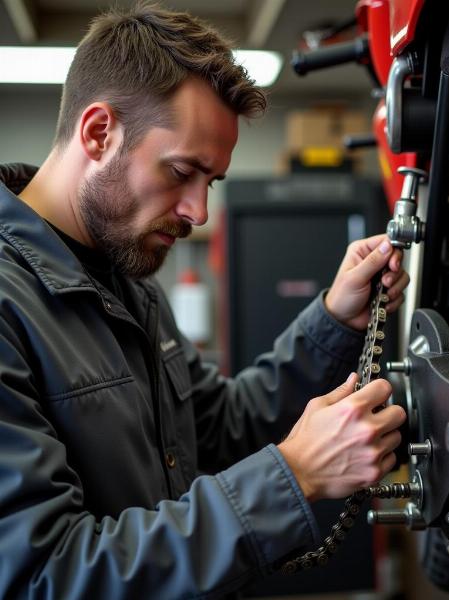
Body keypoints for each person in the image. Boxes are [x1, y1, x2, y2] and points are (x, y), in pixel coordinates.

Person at [0, 4, 409, 598]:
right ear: (97, 133)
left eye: (209, 182)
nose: (199, 213)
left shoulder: (128, 280)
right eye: (181, 173)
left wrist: (334, 318)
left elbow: (219, 428)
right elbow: (46, 575)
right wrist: (291, 476)